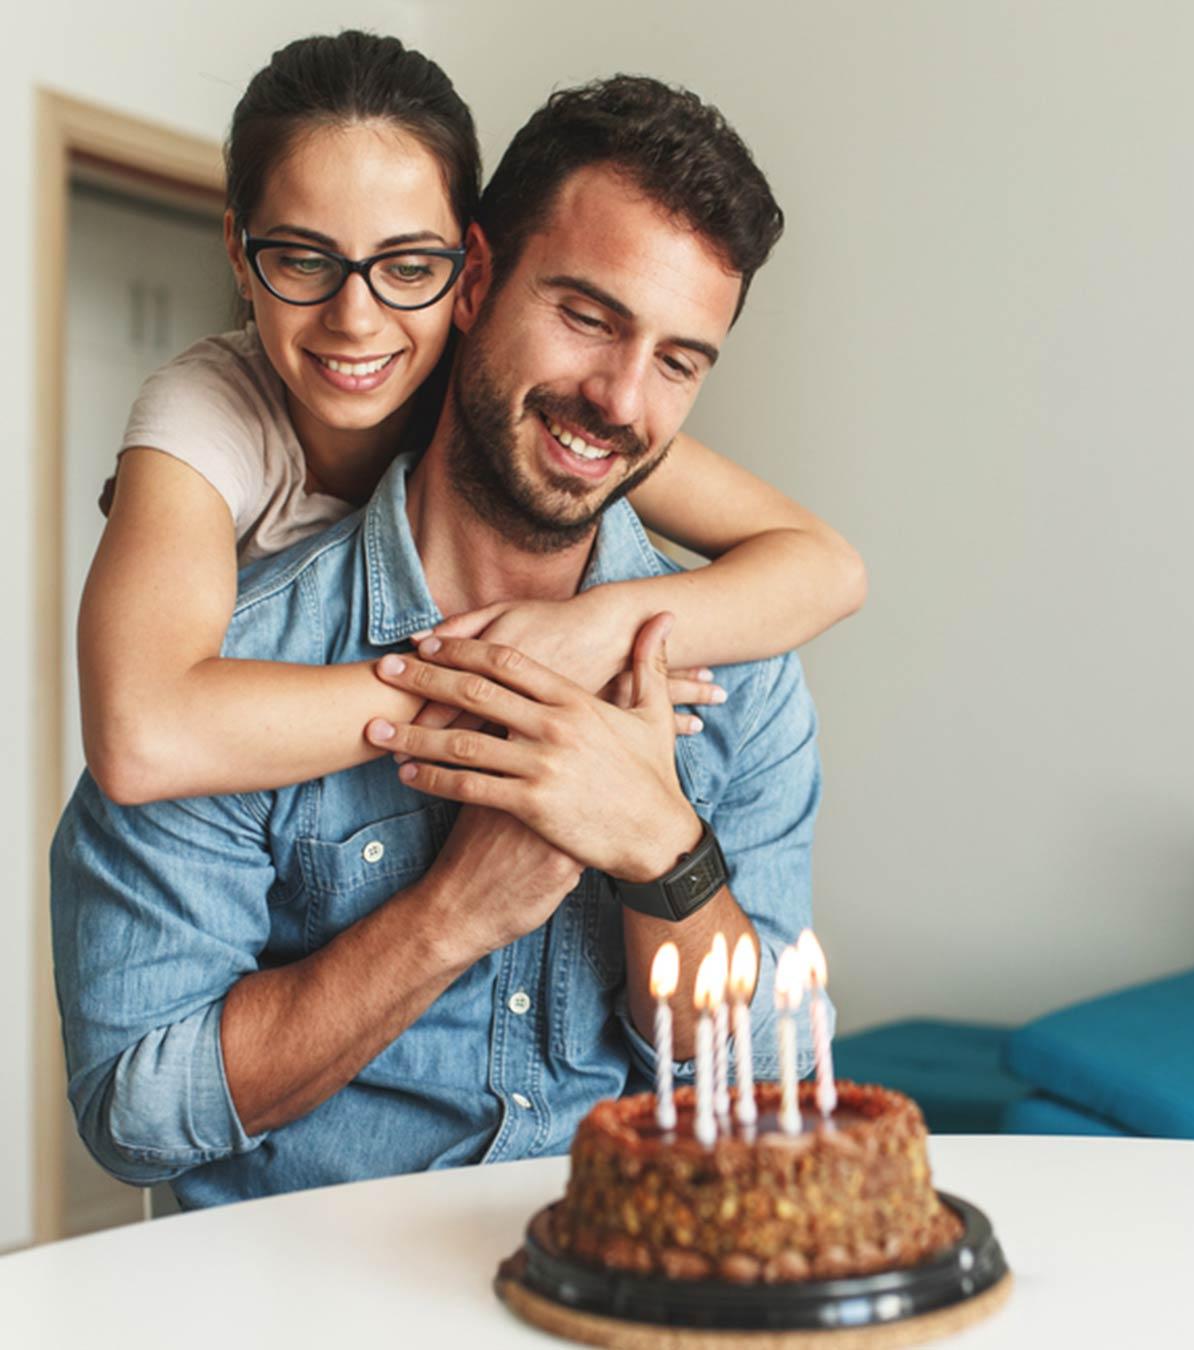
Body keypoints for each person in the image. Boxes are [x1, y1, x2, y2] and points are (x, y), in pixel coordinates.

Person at [52, 70, 823, 1208]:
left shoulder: (744, 678)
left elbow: (766, 1101)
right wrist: (457, 912)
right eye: (588, 316)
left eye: (677, 360)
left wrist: (664, 850)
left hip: (614, 1297)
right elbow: (136, 1111)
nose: (618, 398)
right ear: (475, 282)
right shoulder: (230, 667)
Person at [79, 31, 864, 810]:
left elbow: (826, 568)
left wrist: (599, 629)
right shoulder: (202, 415)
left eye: (410, 267)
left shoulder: (506, 395)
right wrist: (502, 685)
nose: (357, 319)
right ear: (240, 254)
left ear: (468, 276)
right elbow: (138, 736)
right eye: (305, 260)